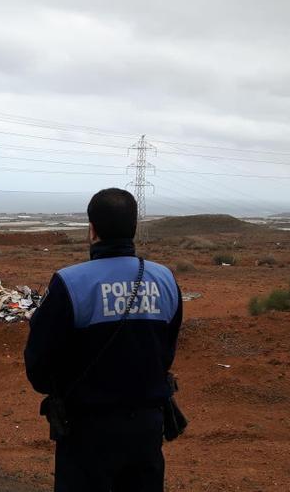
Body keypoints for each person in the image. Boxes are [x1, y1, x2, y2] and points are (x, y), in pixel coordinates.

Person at [24, 188, 183, 491]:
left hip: (87, 428)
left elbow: (39, 360)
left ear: (92, 230)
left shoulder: (70, 282)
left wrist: (56, 389)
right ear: (134, 227)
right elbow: (167, 350)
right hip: (147, 426)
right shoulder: (165, 279)